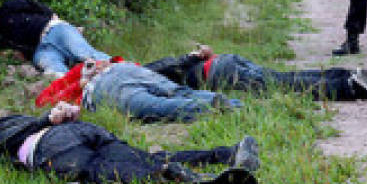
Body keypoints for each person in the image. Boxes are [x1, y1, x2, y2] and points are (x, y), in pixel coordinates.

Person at [0, 103, 260, 184]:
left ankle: (203, 183)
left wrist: (48, 120)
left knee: (103, 171)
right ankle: (226, 154)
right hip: (74, 132)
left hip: (55, 146)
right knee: (145, 158)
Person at [143, 45, 367, 100]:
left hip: (217, 73)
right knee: (284, 79)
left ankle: (350, 87)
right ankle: (346, 76)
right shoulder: (125, 72)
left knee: (284, 85)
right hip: (221, 64)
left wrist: (192, 57)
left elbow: (172, 69)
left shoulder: (128, 73)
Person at [37, 58, 244, 123]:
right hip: (122, 73)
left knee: (160, 106)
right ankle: (228, 104)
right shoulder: (76, 76)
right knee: (177, 93)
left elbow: (44, 102)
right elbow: (43, 102)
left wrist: (85, 76)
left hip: (109, 83)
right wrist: (81, 82)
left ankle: (216, 106)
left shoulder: (81, 68)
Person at [0, 0, 109, 76]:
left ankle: (121, 66)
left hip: (54, 29)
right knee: (55, 73)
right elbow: (22, 56)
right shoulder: (5, 42)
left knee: (85, 54)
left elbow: (32, 4)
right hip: (42, 50)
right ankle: (77, 89)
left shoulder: (5, 11)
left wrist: (52, 15)